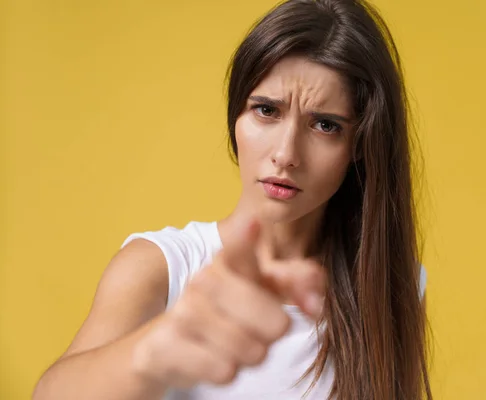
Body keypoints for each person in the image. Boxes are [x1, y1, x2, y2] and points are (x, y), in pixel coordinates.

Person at [33, 0, 432, 399]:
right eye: (266, 111)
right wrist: (153, 352)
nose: (286, 153)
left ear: (360, 144)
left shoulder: (393, 282)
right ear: (235, 118)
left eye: (325, 125)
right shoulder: (162, 267)